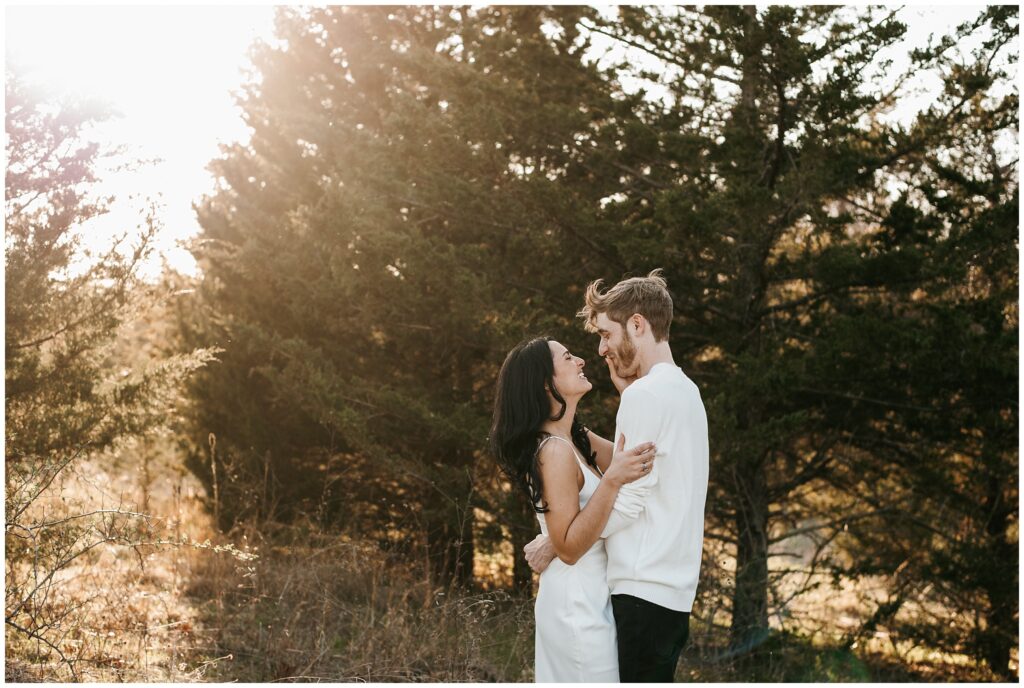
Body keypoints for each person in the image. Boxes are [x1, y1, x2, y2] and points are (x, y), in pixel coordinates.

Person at [524, 270, 710, 683]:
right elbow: (648, 474)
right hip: (674, 591)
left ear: (638, 324)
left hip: (642, 589)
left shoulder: (645, 396)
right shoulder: (685, 391)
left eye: (607, 334)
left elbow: (628, 501)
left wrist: (556, 542)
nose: (602, 348)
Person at [490, 335, 658, 682]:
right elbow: (568, 549)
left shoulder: (576, 438)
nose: (581, 360)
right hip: (575, 604)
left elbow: (642, 460)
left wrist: (632, 397)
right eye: (568, 358)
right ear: (546, 385)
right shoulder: (553, 451)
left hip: (595, 595)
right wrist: (611, 481)